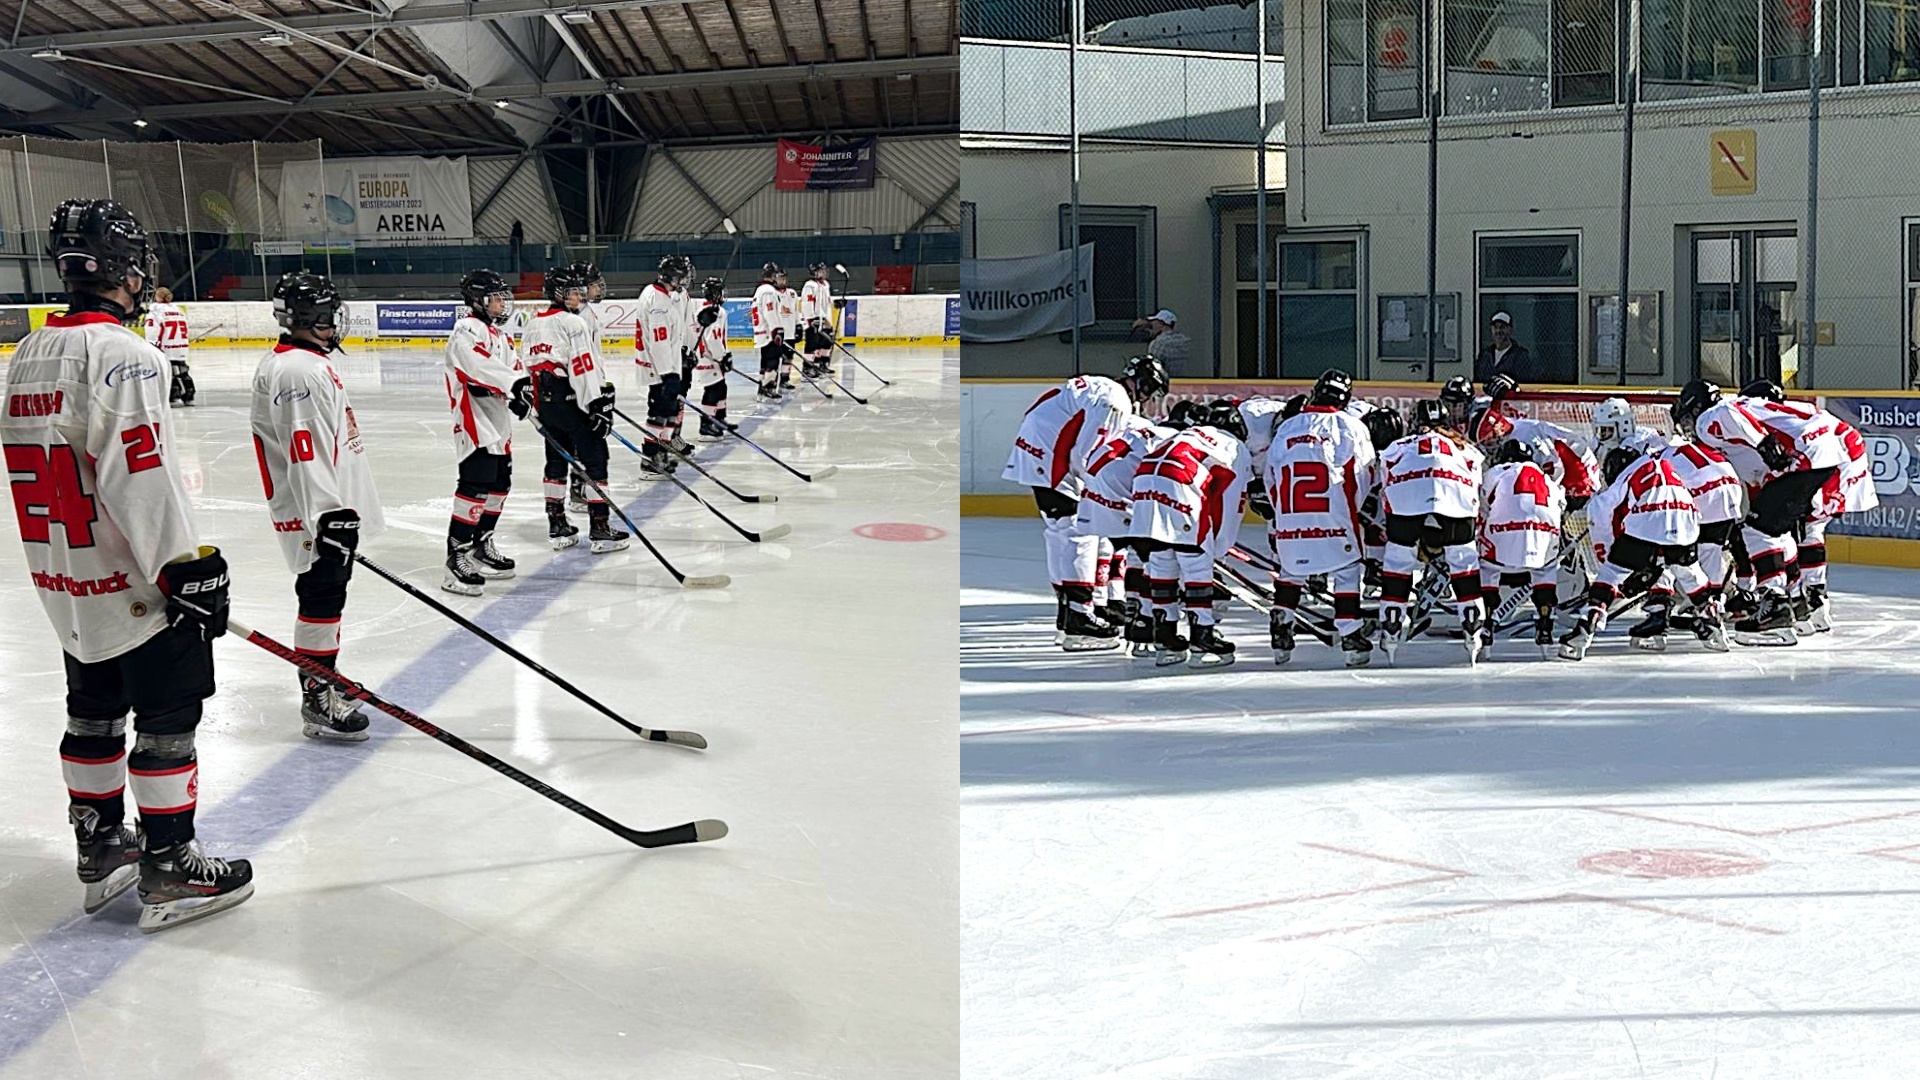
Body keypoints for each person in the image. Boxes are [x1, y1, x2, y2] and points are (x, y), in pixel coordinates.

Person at [1, 198, 251, 931]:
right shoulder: (126, 356)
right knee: (168, 717)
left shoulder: (28, 353)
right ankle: (170, 863)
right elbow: (141, 476)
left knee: (93, 709)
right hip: (137, 583)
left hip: (67, 575)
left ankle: (103, 843)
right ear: (126, 272)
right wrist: (185, 566)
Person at [250, 270, 387, 742]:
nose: (334, 325)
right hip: (314, 513)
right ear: (308, 319)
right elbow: (303, 447)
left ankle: (323, 677)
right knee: (321, 595)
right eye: (327, 317)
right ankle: (317, 695)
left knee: (328, 594)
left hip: (323, 507)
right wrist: (328, 515)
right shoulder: (297, 371)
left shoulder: (303, 362)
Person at [1002, 355, 1170, 649]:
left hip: (1037, 449)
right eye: (1150, 392)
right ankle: (1080, 618)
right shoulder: (1116, 402)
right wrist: (1104, 494)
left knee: (1060, 532)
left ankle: (1068, 615)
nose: (1149, 400)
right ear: (1143, 385)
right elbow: (1086, 456)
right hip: (1053, 456)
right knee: (1083, 532)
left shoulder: (1104, 387)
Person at [1674, 379, 1844, 644]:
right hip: (1823, 453)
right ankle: (1795, 601)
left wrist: (1764, 443)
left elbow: (1727, 415)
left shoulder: (1711, 417)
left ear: (1695, 409)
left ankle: (1774, 609)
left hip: (1803, 455)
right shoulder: (1738, 423)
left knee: (1757, 529)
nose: (1689, 429)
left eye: (1687, 420)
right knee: (1775, 528)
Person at [1559, 447, 1725, 659]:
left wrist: (1607, 554)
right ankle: (1714, 624)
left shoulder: (1631, 471)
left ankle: (1584, 630)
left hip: (1648, 523)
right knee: (1690, 575)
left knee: (1609, 576)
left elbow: (1601, 508)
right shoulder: (1668, 469)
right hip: (1686, 525)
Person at [1265, 370, 1378, 667]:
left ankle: (1282, 624)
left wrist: (1285, 514)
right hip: (1333, 516)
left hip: (1291, 518)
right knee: (1347, 571)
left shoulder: (1287, 428)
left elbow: (1271, 478)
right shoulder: (1349, 426)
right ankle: (1351, 632)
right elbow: (1363, 473)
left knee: (1291, 569)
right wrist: (1349, 507)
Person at [1126, 400, 1250, 667]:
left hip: (1144, 484)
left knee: (1161, 560)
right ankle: (1202, 636)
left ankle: (1164, 635)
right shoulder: (1235, 447)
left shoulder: (1189, 434)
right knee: (1196, 565)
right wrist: (1218, 547)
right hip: (1180, 482)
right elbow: (1230, 503)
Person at [525, 264, 627, 553]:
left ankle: (557, 526)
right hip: (574, 404)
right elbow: (583, 369)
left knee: (556, 463)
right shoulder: (574, 323)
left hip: (547, 407)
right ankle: (600, 528)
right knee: (595, 460)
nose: (579, 296)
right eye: (573, 291)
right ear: (559, 293)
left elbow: (528, 368)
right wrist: (597, 404)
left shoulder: (533, 323)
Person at [442, 268, 531, 596]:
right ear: (477, 300)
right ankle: (457, 555)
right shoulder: (465, 329)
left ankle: (481, 542)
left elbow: (514, 369)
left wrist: (523, 392)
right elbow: (475, 367)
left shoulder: (502, 335)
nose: (500, 303)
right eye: (494, 297)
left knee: (499, 483)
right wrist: (512, 384)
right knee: (475, 485)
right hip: (474, 421)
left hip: (497, 421)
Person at [1377, 397, 1485, 665]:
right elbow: (1477, 484)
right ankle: (1472, 630)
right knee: (1464, 564)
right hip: (1456, 500)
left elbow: (1384, 479)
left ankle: (1391, 630)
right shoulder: (1465, 448)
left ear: (1414, 422)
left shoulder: (1397, 446)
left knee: (1398, 563)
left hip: (1407, 498)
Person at [1074, 411, 1178, 656]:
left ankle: (1133, 613)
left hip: (1094, 489)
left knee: (1137, 553)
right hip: (1118, 488)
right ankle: (1144, 619)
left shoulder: (1151, 432)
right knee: (1156, 557)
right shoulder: (1178, 439)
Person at [1477, 436, 1566, 658]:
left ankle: (1486, 624)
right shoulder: (1545, 478)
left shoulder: (1497, 472)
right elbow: (1561, 506)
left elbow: (1481, 503)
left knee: (1486, 568)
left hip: (1503, 540)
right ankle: (1545, 622)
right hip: (1544, 539)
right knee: (1546, 569)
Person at [635, 255, 691, 479]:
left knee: (667, 411)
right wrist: (668, 373)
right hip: (659, 368)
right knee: (658, 413)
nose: (684, 279)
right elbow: (658, 341)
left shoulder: (656, 294)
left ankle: (661, 451)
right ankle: (650, 458)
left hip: (663, 365)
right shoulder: (659, 302)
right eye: (681, 275)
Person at [688, 276, 733, 441]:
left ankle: (719, 419)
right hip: (710, 358)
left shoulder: (702, 308)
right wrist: (722, 356)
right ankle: (706, 426)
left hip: (708, 357)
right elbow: (713, 338)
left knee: (721, 388)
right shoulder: (717, 312)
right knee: (713, 390)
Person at [142, 286, 193, 407]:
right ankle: (189, 395)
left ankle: (174, 397)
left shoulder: (154, 312)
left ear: (158, 297)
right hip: (180, 345)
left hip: (165, 346)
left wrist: (152, 345)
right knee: (182, 370)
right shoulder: (179, 310)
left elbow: (153, 331)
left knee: (168, 372)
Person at [751, 263, 789, 402]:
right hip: (768, 332)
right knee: (772, 361)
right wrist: (776, 330)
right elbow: (770, 311)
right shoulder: (768, 291)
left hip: (761, 332)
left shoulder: (760, 290)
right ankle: (768, 388)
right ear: (773, 276)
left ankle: (762, 388)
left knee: (765, 362)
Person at [1473, 311, 1533, 384]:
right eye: (1495, 327)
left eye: (1502, 327)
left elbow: (1523, 383)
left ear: (1510, 330)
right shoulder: (1484, 355)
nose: (1498, 331)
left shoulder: (1520, 356)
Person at [1130, 309, 1191, 376]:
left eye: (1154, 321)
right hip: (1186, 381)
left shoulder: (1159, 343)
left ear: (1161, 323)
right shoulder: (1185, 341)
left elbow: (1153, 369)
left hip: (1167, 382)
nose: (1152, 324)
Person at [800, 263, 835, 379]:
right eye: (821, 271)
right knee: (812, 344)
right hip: (814, 319)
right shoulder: (810, 285)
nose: (824, 273)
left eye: (824, 271)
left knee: (825, 342)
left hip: (824, 318)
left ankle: (822, 364)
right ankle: (808, 367)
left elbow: (827, 302)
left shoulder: (825, 285)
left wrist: (837, 304)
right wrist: (810, 319)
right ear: (814, 272)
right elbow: (807, 303)